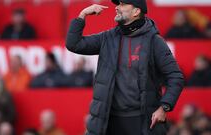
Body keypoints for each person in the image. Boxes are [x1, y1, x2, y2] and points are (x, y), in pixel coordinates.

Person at [65, 0, 184, 135]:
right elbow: (74, 44)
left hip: (141, 121)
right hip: (107, 120)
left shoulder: (154, 41)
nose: (117, 8)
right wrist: (82, 14)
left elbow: (176, 77)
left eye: (122, 4)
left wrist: (164, 107)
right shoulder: (108, 37)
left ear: (136, 11)